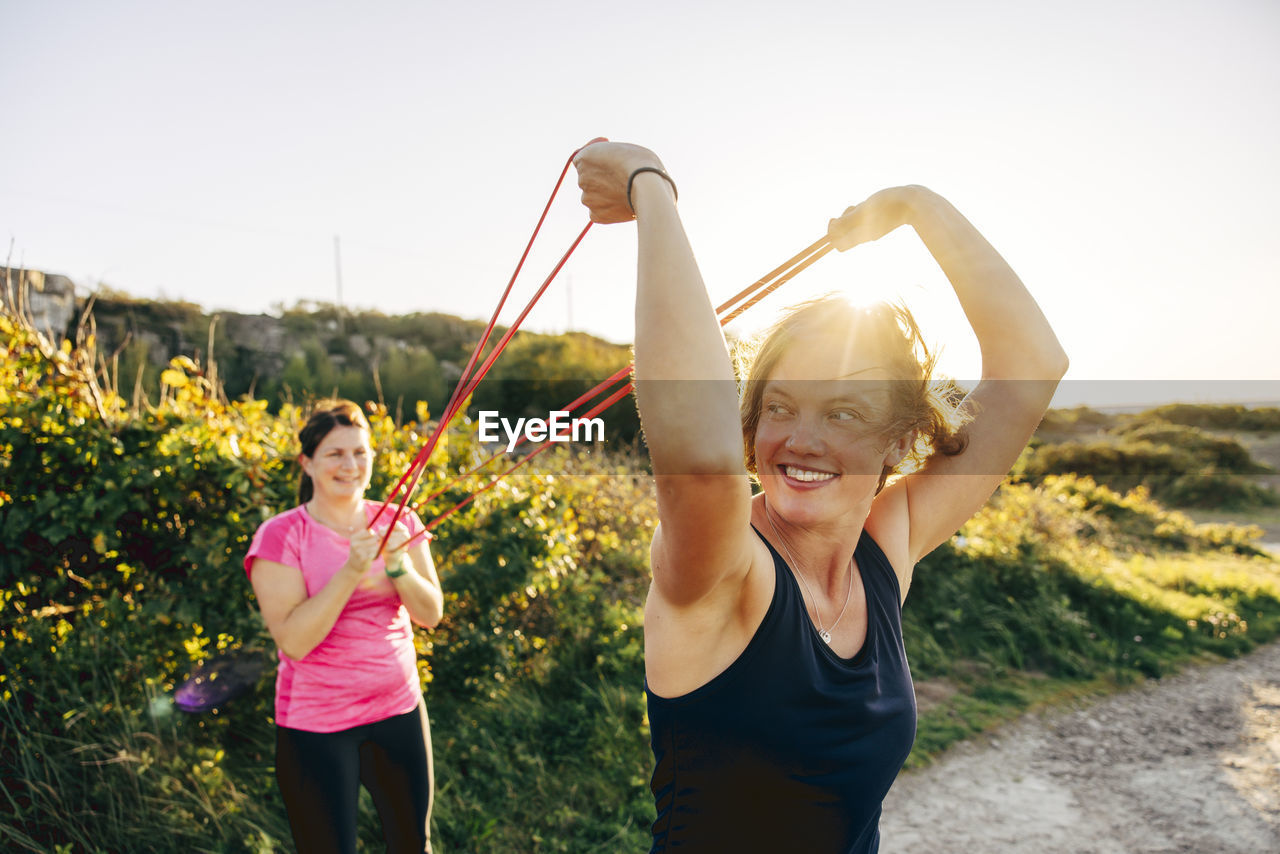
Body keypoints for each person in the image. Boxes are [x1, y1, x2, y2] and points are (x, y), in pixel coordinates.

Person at [573, 142, 1068, 852]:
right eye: (778, 407)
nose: (800, 440)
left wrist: (916, 206)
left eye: (844, 413)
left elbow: (1033, 365)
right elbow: (703, 462)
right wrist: (651, 190)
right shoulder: (725, 568)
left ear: (900, 444)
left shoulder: (885, 545)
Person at [244, 399, 444, 854]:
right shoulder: (281, 535)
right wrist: (351, 571)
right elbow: (294, 641)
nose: (350, 465)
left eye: (360, 453)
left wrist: (398, 566)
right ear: (307, 463)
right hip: (317, 726)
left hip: (399, 709)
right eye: (335, 454)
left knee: (413, 844)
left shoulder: (400, 520)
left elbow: (431, 613)